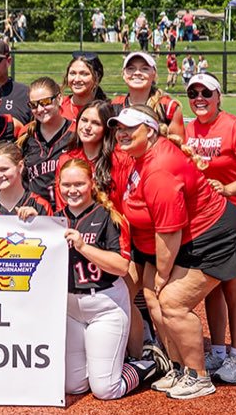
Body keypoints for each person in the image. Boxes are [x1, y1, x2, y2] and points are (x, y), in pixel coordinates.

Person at [112, 104, 236, 400]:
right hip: (190, 235)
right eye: (119, 128)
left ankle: (198, 376)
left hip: (213, 237)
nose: (122, 133)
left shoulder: (159, 169)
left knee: (172, 302)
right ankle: (178, 367)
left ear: (150, 132)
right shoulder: (140, 156)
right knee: (152, 298)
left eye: (130, 128)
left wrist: (162, 276)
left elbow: (169, 232)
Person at [57, 158, 169, 399]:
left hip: (105, 305)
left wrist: (83, 247)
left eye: (79, 184)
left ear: (92, 183)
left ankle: (149, 363)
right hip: (70, 309)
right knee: (73, 387)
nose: (72, 190)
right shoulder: (55, 220)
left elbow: (120, 266)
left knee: (106, 390)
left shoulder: (109, 216)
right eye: (66, 185)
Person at [183, 74, 236, 384]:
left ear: (219, 96)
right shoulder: (188, 130)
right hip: (207, 219)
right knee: (213, 285)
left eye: (206, 92)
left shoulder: (235, 127)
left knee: (233, 284)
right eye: (193, 92)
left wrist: (229, 189)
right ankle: (217, 351)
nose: (199, 98)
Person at [17, 77, 73, 205]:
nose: (40, 109)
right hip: (34, 210)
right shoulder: (26, 135)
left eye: (45, 102)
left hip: (68, 209)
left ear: (59, 99)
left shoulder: (76, 133)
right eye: (33, 105)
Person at [111, 52, 186, 140]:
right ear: (123, 75)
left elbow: (178, 145)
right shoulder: (114, 105)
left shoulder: (168, 107)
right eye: (131, 68)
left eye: (144, 69)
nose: (137, 72)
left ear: (154, 74)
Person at [60, 52, 108, 121]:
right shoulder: (58, 106)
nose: (77, 79)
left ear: (97, 78)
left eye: (84, 74)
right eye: (72, 73)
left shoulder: (106, 111)